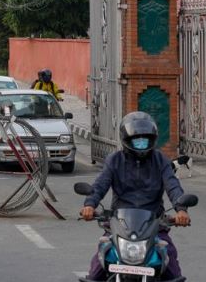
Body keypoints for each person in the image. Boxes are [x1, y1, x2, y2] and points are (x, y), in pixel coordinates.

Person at [80, 111, 191, 281]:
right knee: (96, 270)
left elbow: (172, 185)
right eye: (136, 139)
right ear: (126, 139)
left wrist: (181, 209)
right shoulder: (114, 160)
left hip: (154, 224)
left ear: (152, 139)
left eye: (145, 139)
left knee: (172, 267)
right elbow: (100, 184)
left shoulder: (161, 160)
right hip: (119, 225)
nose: (141, 143)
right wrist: (90, 205)